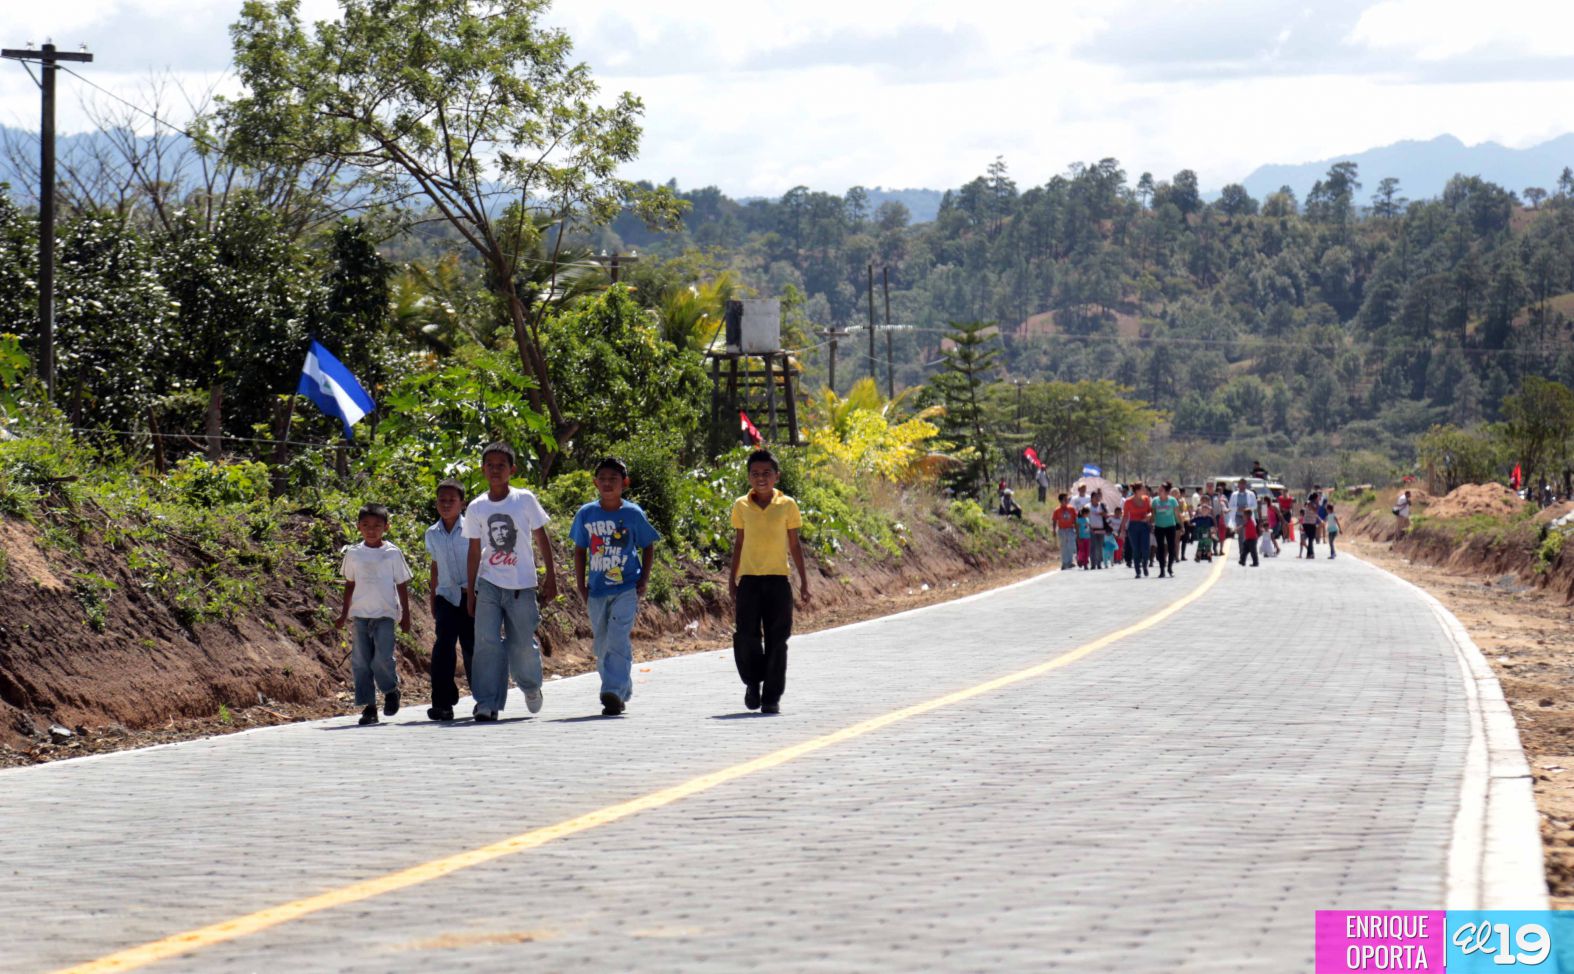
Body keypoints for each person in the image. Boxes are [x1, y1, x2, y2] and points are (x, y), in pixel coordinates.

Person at [465, 442, 557, 722]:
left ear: (512, 470)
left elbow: (542, 538)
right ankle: (486, 702)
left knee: (520, 645)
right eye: (489, 465)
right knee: (486, 642)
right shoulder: (476, 507)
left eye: (501, 465)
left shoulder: (524, 499)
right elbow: (473, 551)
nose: (495, 470)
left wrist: (551, 576)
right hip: (489, 583)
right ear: (483, 470)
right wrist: (471, 591)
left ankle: (530, 686)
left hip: (522, 586)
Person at [571, 457, 662, 717]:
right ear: (595, 483)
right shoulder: (586, 514)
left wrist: (643, 579)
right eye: (603, 479)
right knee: (601, 644)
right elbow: (579, 550)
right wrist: (580, 584)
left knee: (617, 637)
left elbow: (648, 545)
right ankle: (621, 689)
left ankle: (611, 690)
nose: (608, 484)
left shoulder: (633, 514)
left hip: (626, 587)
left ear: (625, 483)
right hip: (597, 589)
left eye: (614, 479)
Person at [730, 449, 811, 714]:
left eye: (766, 473)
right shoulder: (741, 505)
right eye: (755, 473)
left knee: (778, 640)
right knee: (746, 637)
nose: (761, 478)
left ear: (777, 476)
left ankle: (771, 696)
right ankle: (753, 683)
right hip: (750, 581)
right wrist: (732, 579)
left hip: (778, 581)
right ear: (748, 477)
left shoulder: (787, 505)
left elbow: (795, 544)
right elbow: (739, 543)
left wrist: (804, 582)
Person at [335, 503, 414, 726]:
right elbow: (350, 583)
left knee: (382, 658)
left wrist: (406, 615)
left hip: (385, 614)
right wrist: (343, 613)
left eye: (377, 526)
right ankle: (369, 707)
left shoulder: (392, 553)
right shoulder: (354, 553)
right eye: (366, 525)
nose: (371, 530)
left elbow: (401, 584)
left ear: (386, 527)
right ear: (359, 527)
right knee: (361, 661)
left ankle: (390, 690)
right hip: (360, 614)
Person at [424, 479, 474, 722]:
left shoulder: (472, 529)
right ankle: (442, 702)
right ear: (436, 504)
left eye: (451, 500)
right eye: (442, 500)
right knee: (443, 648)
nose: (446, 504)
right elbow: (435, 565)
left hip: (470, 595)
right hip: (446, 595)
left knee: (472, 648)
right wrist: (433, 596)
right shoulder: (432, 533)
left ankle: (483, 699)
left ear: (462, 503)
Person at [1122, 482, 1153, 579]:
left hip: (1144, 526)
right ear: (1137, 491)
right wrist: (1122, 529)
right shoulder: (1128, 501)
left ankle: (1144, 565)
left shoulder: (1146, 499)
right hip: (1133, 526)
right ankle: (1137, 571)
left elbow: (1151, 511)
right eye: (1143, 489)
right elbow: (1125, 516)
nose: (1145, 491)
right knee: (1136, 549)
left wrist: (1149, 516)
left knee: (1145, 549)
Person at [1152, 482, 1181, 578]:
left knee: (1171, 547)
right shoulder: (1155, 501)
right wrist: (1151, 523)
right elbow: (1153, 514)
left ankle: (1170, 568)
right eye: (1158, 490)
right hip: (1159, 527)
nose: (1159, 491)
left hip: (1170, 526)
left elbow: (1177, 514)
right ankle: (1161, 570)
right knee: (1160, 548)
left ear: (1166, 492)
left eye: (1161, 490)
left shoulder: (1173, 501)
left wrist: (1181, 525)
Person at [1052, 493, 1078, 570]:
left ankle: (1070, 562)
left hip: (1070, 529)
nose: (1067, 501)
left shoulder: (1071, 509)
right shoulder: (1057, 510)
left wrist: (1077, 529)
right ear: (1061, 501)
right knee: (1063, 546)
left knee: (1070, 546)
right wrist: (1054, 530)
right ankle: (1064, 563)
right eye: (1065, 500)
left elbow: (1075, 520)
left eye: (1067, 499)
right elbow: (1054, 520)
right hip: (1062, 530)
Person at [1087, 496, 1107, 570]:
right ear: (1092, 498)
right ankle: (1093, 563)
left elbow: (1106, 515)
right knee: (1093, 547)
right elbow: (1086, 516)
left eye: (1098, 497)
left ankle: (1099, 563)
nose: (1097, 498)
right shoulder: (1088, 506)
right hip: (1092, 528)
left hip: (1101, 528)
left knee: (1099, 546)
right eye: (1095, 497)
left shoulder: (1101, 505)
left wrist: (1102, 513)